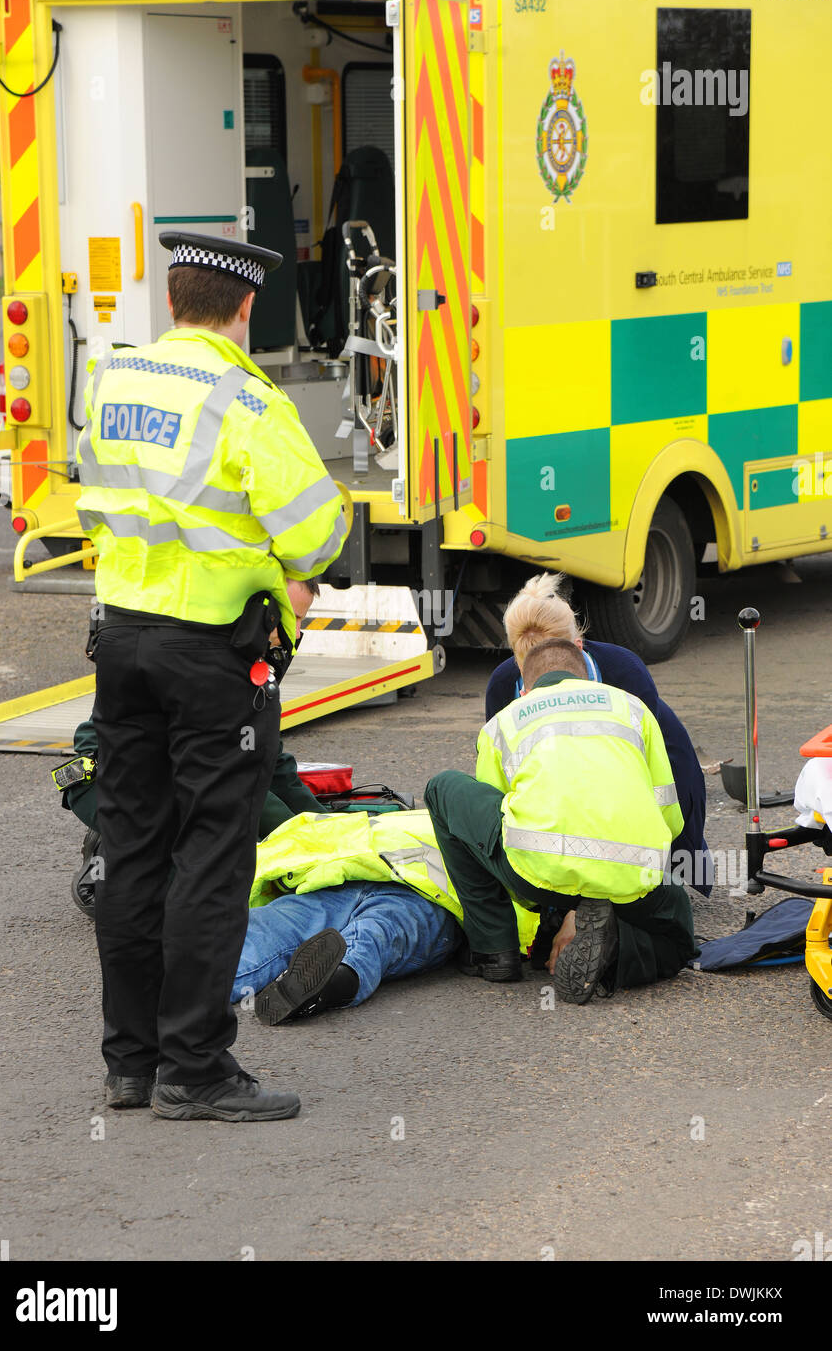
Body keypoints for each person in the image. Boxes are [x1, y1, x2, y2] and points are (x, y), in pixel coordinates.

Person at [75, 231, 347, 1122]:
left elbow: (99, 498)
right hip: (208, 656)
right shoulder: (243, 397)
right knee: (212, 859)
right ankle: (194, 1068)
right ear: (243, 308)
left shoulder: (115, 380)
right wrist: (274, 569)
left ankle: (131, 1065)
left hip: (120, 642)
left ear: (169, 302)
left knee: (134, 850)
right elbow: (316, 533)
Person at [424, 638, 697, 1002]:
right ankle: (614, 948)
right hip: (634, 875)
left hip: (538, 875)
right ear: (590, 678)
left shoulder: (504, 722)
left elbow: (492, 822)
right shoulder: (633, 709)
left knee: (443, 787)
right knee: (679, 938)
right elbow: (670, 816)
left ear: (524, 687)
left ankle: (493, 951)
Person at [60, 578, 325, 918]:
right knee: (195, 892)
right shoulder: (209, 663)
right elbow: (242, 792)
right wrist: (304, 843)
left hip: (166, 778)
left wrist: (323, 825)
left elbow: (270, 762)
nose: (298, 632)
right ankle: (111, 870)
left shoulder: (249, 657)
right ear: (265, 611)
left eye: (303, 620)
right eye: (294, 618)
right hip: (106, 780)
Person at [485, 572, 713, 896]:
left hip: (656, 767)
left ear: (578, 646)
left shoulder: (626, 672)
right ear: (517, 661)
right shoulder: (502, 685)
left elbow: (645, 781)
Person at [238, 808, 539, 1023]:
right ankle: (332, 981)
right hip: (415, 890)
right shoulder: (507, 828)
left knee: (280, 928)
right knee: (377, 934)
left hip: (357, 877)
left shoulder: (410, 814)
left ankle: (204, 974)